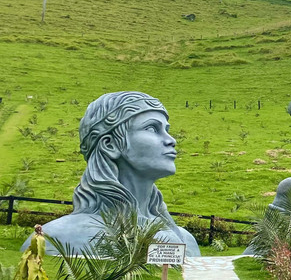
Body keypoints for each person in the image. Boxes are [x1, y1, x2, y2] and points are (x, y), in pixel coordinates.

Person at [28, 91, 201, 256]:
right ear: (109, 144)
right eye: (151, 128)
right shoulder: (57, 238)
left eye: (166, 129)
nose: (171, 140)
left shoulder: (185, 240)